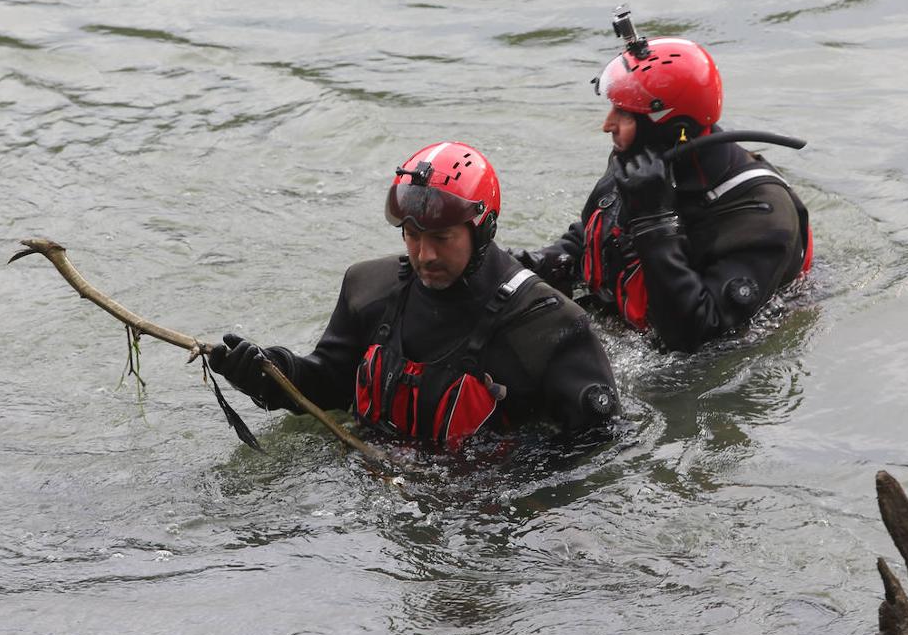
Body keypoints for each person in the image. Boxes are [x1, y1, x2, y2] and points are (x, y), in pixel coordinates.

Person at [208, 141, 620, 454]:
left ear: (483, 230)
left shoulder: (549, 325)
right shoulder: (368, 288)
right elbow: (330, 383)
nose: (425, 256)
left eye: (442, 238)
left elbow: (597, 444)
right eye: (412, 236)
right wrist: (272, 374)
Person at [516, 6, 813, 354]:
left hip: (713, 363)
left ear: (672, 130)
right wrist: (528, 271)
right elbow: (589, 237)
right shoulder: (643, 165)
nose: (607, 124)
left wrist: (653, 223)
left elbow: (695, 336)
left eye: (623, 113)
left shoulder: (762, 217)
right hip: (628, 331)